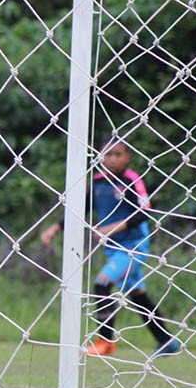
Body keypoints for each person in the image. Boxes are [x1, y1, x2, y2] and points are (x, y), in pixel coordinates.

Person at [41, 135, 181, 358]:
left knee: (102, 283)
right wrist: (54, 229)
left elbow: (145, 212)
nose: (113, 159)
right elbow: (80, 209)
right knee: (138, 295)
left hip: (134, 248)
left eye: (118, 154)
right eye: (108, 154)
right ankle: (167, 341)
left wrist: (111, 229)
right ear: (100, 156)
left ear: (127, 157)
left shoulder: (132, 180)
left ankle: (105, 342)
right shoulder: (97, 182)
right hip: (113, 249)